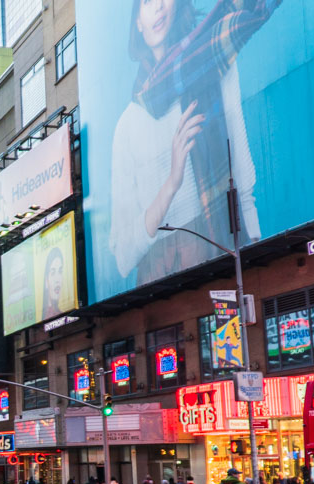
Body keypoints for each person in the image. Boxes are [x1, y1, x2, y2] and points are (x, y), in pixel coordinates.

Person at [108, 0, 276, 286]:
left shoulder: (214, 63)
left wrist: (254, 253)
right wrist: (172, 181)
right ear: (137, 20)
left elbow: (242, 179)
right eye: (147, 2)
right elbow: (122, 254)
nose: (159, 7)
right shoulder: (128, 125)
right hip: (159, 280)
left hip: (219, 247)